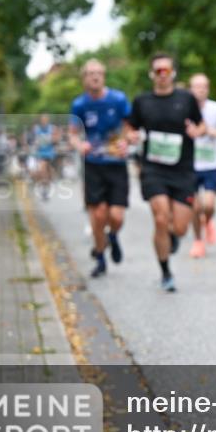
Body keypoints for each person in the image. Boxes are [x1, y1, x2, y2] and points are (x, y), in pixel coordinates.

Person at [125, 53, 206, 292]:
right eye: (158, 71)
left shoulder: (186, 98)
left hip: (182, 170)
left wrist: (197, 131)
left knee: (179, 227)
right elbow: (131, 126)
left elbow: (201, 125)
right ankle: (165, 272)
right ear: (152, 74)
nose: (162, 75)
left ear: (173, 73)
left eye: (166, 71)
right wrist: (130, 136)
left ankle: (173, 238)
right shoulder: (142, 101)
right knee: (161, 218)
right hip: (153, 169)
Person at [70, 59, 132, 278]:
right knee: (97, 215)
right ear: (84, 78)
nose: (94, 77)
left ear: (104, 76)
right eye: (90, 73)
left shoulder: (118, 99)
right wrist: (80, 145)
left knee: (116, 216)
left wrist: (127, 141)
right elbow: (73, 133)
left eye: (98, 73)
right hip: (93, 165)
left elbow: (130, 128)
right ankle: (101, 258)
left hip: (116, 164)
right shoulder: (79, 105)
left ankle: (112, 236)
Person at [188, 73, 216, 258]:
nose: (200, 90)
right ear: (191, 89)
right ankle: (198, 241)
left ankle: (208, 221)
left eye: (204, 86)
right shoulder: (184, 108)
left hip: (210, 164)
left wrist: (213, 132)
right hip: (190, 164)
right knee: (195, 207)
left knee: (209, 205)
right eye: (196, 86)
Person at [31, 114, 58, 199]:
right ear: (41, 120)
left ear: (48, 120)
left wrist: (51, 139)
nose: (44, 121)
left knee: (46, 171)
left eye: (46, 119)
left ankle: (46, 186)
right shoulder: (37, 129)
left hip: (49, 153)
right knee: (42, 170)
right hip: (40, 153)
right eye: (43, 119)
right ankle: (44, 188)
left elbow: (56, 139)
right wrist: (36, 143)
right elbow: (35, 140)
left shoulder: (52, 128)